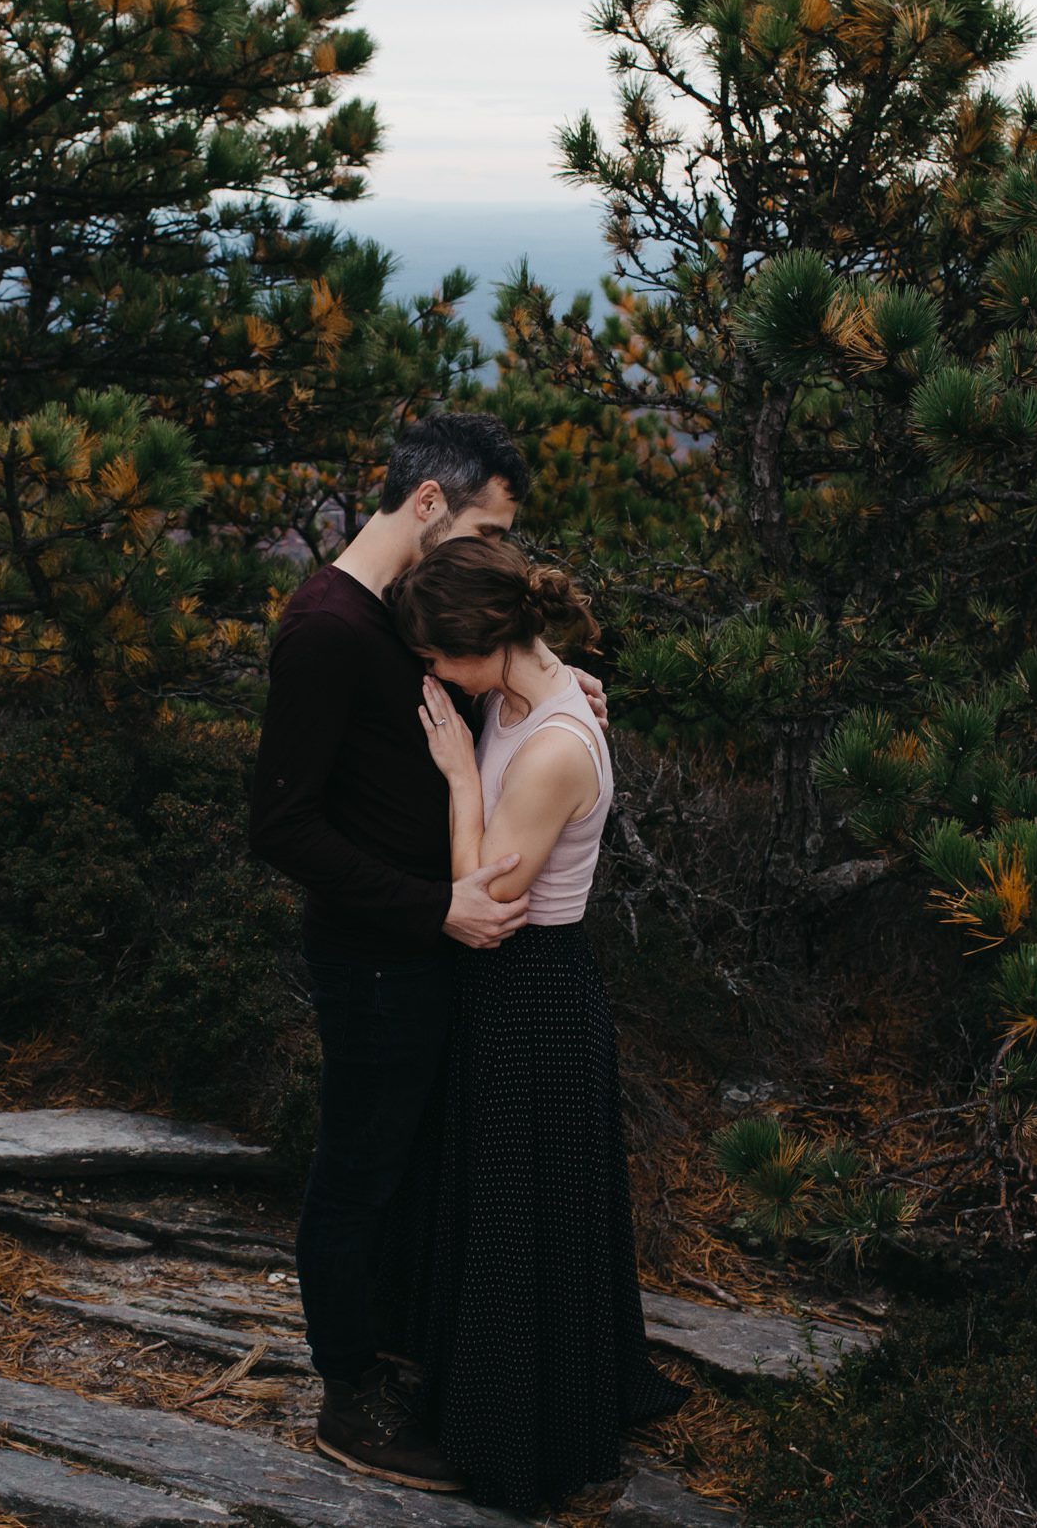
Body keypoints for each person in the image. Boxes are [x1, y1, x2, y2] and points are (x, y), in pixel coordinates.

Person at [247, 413, 606, 1493]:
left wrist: (555, 687)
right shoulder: (324, 629)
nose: (495, 556)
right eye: (486, 527)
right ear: (429, 506)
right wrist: (428, 908)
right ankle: (348, 1390)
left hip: (442, 942)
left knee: (414, 1163)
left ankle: (410, 1351)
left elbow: (484, 688)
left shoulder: (407, 617)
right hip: (378, 951)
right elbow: (282, 825)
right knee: (358, 1166)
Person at [384, 535, 690, 1512]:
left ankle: (522, 1441)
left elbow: (488, 897)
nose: (430, 673)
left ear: (481, 643)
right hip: (517, 990)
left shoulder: (555, 742)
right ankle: (498, 1397)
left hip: (532, 987)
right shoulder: (519, 690)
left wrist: (457, 775)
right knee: (505, 1203)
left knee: (522, 1214)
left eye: (435, 656)